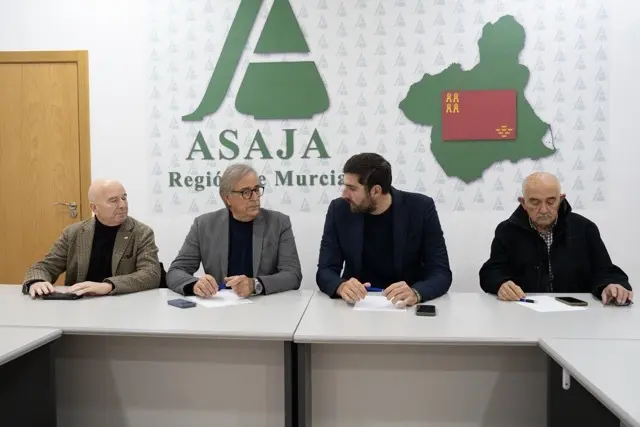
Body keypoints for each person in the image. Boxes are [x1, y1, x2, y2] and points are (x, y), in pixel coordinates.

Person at [316, 152, 452, 306]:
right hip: (357, 305)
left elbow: (441, 272)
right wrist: (341, 286)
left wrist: (416, 293)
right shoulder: (339, 209)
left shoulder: (420, 208)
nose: (344, 195)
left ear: (375, 191)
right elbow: (325, 270)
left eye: (352, 188)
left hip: (404, 306)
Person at [479, 172, 632, 305]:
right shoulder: (507, 231)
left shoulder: (584, 228)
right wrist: (500, 284)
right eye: (535, 202)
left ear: (561, 199)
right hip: (524, 311)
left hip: (577, 314)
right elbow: (492, 271)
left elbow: (605, 270)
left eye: (551, 201)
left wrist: (611, 285)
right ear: (523, 203)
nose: (543, 209)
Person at [167, 163, 302, 297]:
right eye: (246, 192)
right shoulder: (203, 225)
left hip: (265, 305)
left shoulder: (279, 223)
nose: (255, 198)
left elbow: (293, 275)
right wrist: (195, 285)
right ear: (228, 198)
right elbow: (175, 271)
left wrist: (255, 285)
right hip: (220, 305)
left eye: (256, 190)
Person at [23, 179, 161, 298]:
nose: (122, 205)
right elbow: (45, 267)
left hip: (123, 303)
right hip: (81, 305)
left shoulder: (141, 233)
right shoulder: (73, 233)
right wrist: (37, 281)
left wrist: (108, 286)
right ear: (94, 207)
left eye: (124, 198)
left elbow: (151, 274)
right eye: (113, 200)